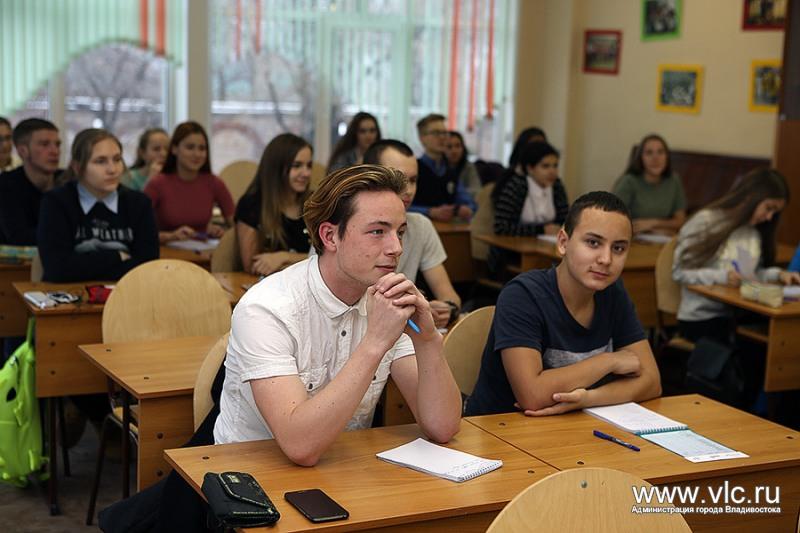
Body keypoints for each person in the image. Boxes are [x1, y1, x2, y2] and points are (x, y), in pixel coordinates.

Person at [214, 164, 462, 465]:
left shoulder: (385, 302)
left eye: (400, 232)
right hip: (249, 474)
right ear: (330, 236)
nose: (396, 248)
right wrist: (375, 342)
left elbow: (442, 427)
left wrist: (428, 340)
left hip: (342, 468)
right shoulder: (266, 308)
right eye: (378, 231)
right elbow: (300, 447)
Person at [466, 191, 661, 416]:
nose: (606, 259)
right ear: (563, 242)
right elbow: (532, 396)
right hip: (499, 427)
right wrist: (610, 361)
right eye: (593, 243)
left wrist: (587, 399)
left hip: (571, 423)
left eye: (618, 248)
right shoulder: (522, 295)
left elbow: (652, 382)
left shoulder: (613, 292)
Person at [672, 168, 800, 343]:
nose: (769, 217)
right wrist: (723, 277)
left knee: (776, 335)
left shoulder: (752, 232)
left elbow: (750, 275)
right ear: (751, 196)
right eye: (768, 208)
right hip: (702, 317)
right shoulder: (706, 221)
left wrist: (778, 275)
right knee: (749, 345)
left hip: (736, 312)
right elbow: (679, 272)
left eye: (775, 212)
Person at [37, 128, 159, 282]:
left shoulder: (139, 203)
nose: (112, 169)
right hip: (66, 294)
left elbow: (147, 268)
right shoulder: (56, 202)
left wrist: (84, 265)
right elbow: (58, 269)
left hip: (126, 292)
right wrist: (117, 256)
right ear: (77, 167)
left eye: (117, 159)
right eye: (100, 161)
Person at [364, 139, 462, 329]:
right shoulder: (347, 225)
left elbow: (450, 296)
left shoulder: (420, 225)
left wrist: (447, 310)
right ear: (370, 177)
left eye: (413, 180)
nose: (408, 190)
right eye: (398, 180)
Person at [144, 121, 235, 243]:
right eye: (190, 147)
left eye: (202, 148)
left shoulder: (214, 183)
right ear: (174, 149)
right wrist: (170, 236)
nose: (197, 154)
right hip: (166, 252)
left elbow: (237, 226)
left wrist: (222, 233)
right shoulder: (157, 184)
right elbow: (136, 230)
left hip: (203, 251)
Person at [236, 133, 313, 276]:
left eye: (309, 166)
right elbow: (253, 265)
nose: (306, 173)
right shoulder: (252, 204)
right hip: (267, 285)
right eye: (297, 166)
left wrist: (284, 257)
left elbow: (329, 259)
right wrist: (306, 261)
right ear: (276, 168)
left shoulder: (315, 203)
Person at [489, 141, 569, 275]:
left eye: (555, 166)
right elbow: (501, 227)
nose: (552, 171)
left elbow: (566, 220)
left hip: (548, 248)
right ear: (530, 168)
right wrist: (541, 229)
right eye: (545, 166)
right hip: (512, 254)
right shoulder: (516, 186)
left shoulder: (557, 186)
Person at [0, 118, 62, 245]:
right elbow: (19, 237)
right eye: (44, 144)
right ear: (23, 151)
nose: (55, 151)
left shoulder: (69, 181)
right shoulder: (6, 185)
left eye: (57, 144)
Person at [612, 134, 686, 234]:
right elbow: (613, 218)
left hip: (661, 236)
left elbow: (680, 221)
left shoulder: (674, 180)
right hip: (632, 236)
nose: (655, 158)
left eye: (660, 152)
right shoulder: (628, 181)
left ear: (667, 157)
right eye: (649, 153)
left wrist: (653, 223)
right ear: (641, 158)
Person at [410, 114, 476, 221]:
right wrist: (429, 212)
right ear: (422, 138)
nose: (442, 137)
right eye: (436, 133)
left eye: (444, 133)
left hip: (448, 228)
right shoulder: (413, 168)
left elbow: (470, 203)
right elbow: (402, 206)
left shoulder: (450, 171)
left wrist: (465, 209)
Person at [444, 130, 481, 199]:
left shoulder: (468, 167)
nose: (454, 151)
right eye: (449, 147)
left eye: (458, 146)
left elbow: (476, 190)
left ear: (463, 148)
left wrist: (456, 192)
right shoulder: (439, 167)